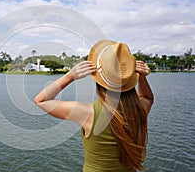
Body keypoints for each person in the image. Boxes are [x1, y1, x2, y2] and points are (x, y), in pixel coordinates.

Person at [34, 39, 154, 171]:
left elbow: (41, 100)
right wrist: (142, 77)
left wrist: (70, 76)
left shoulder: (89, 113)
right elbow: (147, 98)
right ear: (130, 79)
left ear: (98, 80)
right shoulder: (139, 110)